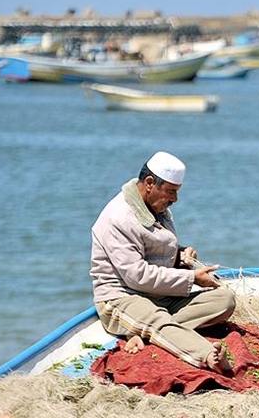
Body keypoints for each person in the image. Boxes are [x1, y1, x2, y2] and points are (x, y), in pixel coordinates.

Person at [89, 151, 236, 374]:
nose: (175, 199)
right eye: (171, 192)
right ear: (149, 183)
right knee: (158, 319)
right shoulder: (118, 218)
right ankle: (207, 356)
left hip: (159, 294)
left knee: (224, 300)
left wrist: (180, 255)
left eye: (176, 192)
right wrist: (192, 278)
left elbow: (153, 251)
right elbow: (137, 276)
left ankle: (143, 332)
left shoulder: (156, 207)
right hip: (123, 297)